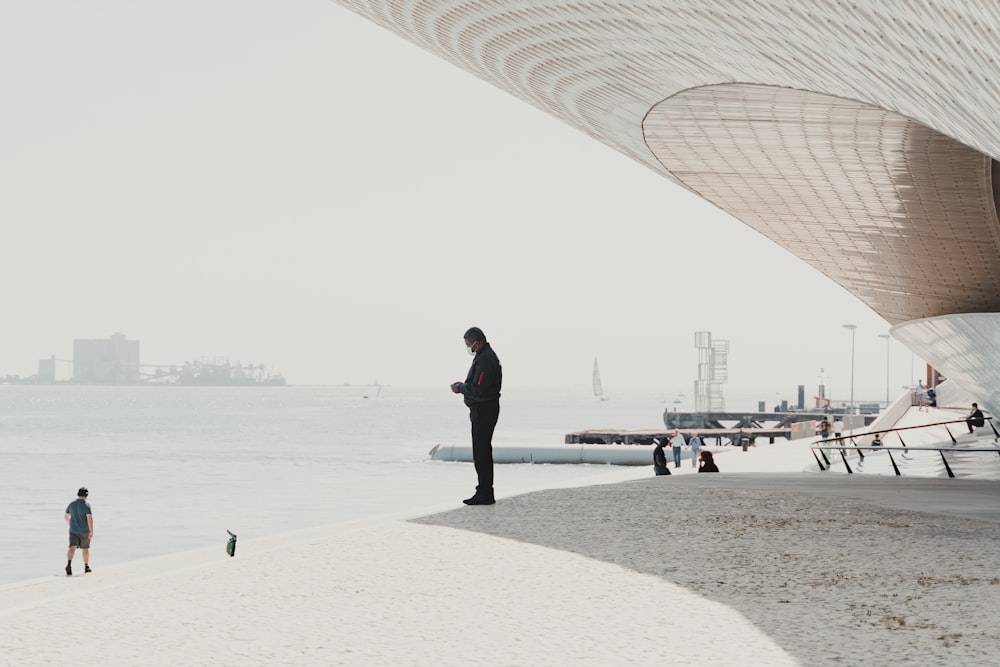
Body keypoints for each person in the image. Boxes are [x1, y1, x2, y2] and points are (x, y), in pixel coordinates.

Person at [451, 327, 502, 505]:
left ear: (477, 341)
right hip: (483, 409)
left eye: (468, 345)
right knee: (481, 451)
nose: (468, 348)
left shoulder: (486, 359)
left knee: (481, 452)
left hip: (484, 410)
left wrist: (461, 389)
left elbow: (478, 388)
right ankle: (483, 490)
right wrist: (463, 386)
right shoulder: (483, 356)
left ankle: (485, 492)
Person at [64, 486, 93, 576]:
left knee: (72, 548)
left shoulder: (71, 504)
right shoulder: (86, 505)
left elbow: (66, 516)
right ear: (86, 496)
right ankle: (86, 566)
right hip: (84, 531)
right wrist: (91, 530)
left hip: (73, 530)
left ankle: (69, 564)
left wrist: (70, 524)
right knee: (85, 549)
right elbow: (89, 518)